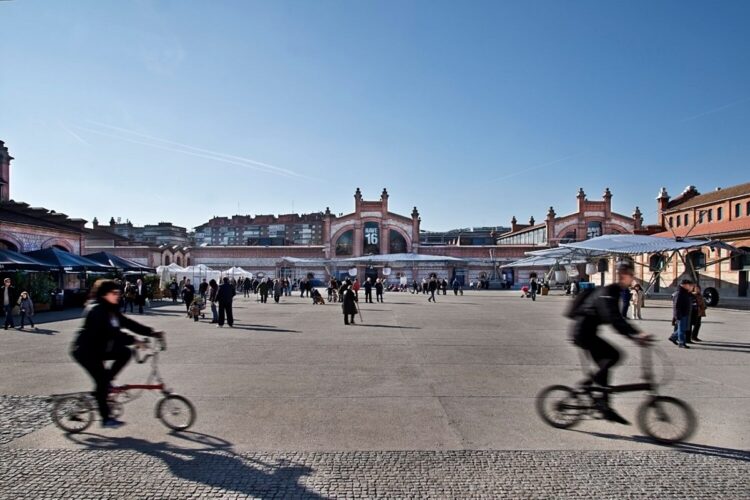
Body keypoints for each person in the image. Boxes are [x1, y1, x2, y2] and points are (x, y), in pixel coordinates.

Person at [71, 280, 163, 428]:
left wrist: (152, 332)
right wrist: (134, 340)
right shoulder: (97, 310)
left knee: (125, 353)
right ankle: (106, 418)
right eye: (114, 293)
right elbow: (110, 334)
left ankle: (107, 381)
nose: (118, 296)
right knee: (101, 382)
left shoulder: (110, 309)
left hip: (99, 349)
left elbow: (128, 323)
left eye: (118, 293)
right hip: (86, 352)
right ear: (105, 294)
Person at [568, 260, 651, 424]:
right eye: (630, 275)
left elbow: (617, 318)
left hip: (588, 332)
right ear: (622, 275)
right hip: (583, 333)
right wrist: (635, 335)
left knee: (607, 361)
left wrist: (636, 334)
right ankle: (594, 389)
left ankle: (603, 404)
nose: (632, 279)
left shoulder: (614, 291)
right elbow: (613, 318)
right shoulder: (609, 292)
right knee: (613, 355)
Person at [669, 279, 694, 349]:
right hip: (681, 314)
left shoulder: (685, 292)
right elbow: (676, 306)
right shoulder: (679, 293)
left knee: (683, 328)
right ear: (685, 285)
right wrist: (677, 315)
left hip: (685, 313)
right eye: (689, 285)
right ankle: (681, 343)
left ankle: (673, 337)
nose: (690, 287)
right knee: (682, 329)